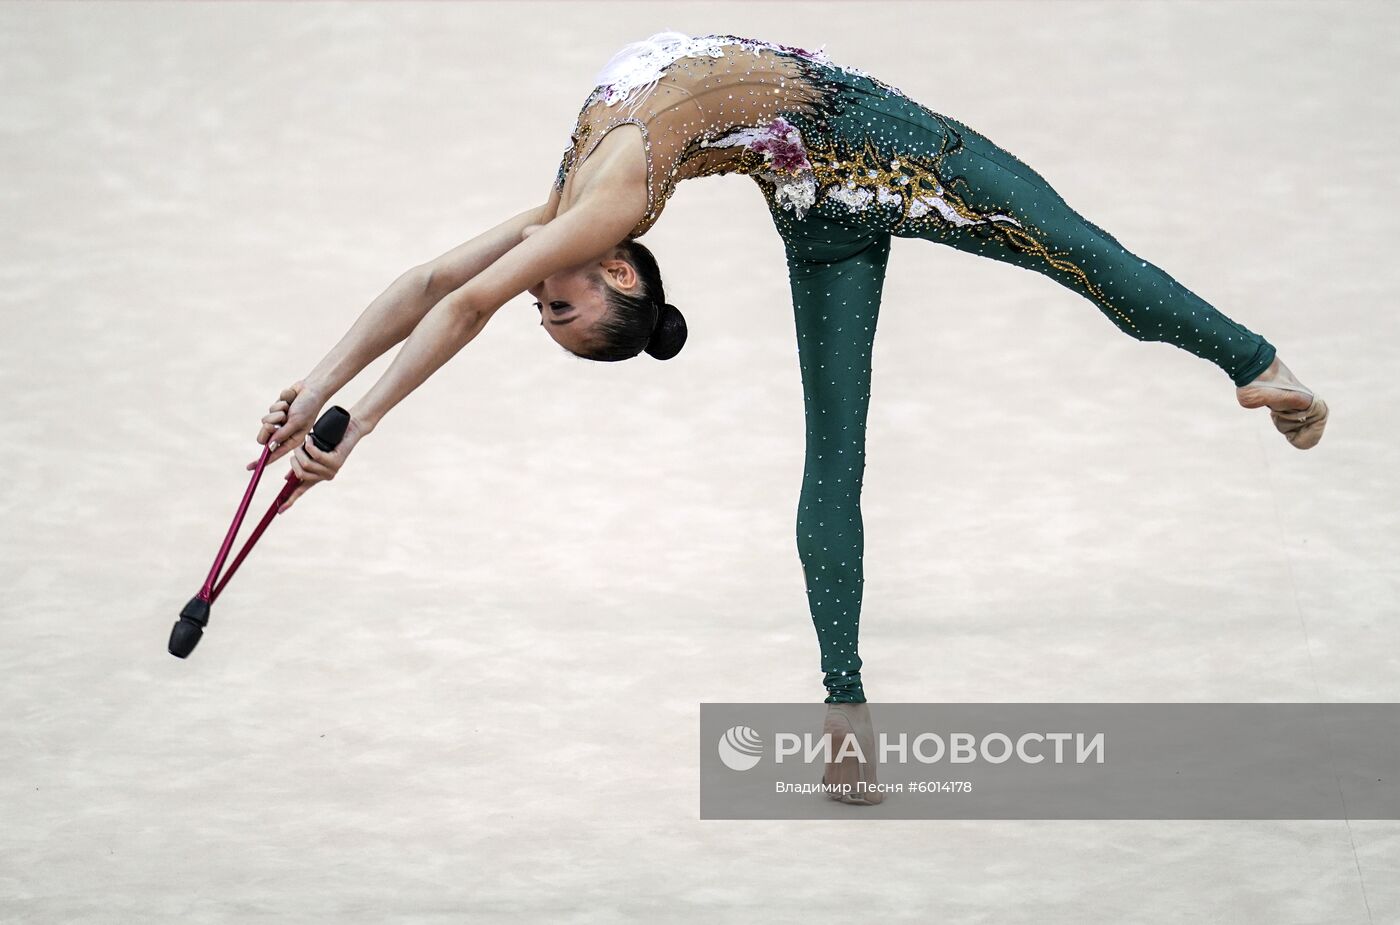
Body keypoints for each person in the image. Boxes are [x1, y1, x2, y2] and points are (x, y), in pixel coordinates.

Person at [249, 30, 1328, 803]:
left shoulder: (599, 199)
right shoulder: (589, 204)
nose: (539, 292)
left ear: (621, 266)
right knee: (836, 452)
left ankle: (1249, 364)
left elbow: (457, 289)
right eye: (555, 307)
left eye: (555, 304)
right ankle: (846, 717)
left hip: (898, 151)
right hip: (815, 200)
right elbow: (443, 284)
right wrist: (321, 393)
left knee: (1091, 264)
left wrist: (347, 409)